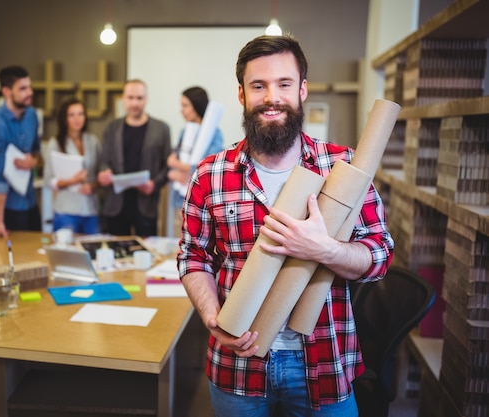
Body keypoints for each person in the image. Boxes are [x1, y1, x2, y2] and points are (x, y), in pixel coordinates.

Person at [177, 35, 394, 416]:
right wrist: (211, 314)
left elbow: (379, 257)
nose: (271, 96)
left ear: (302, 90)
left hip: (325, 361)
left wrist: (324, 250)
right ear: (242, 95)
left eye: (284, 84)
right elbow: (193, 255)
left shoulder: (344, 169)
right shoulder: (210, 174)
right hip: (237, 363)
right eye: (258, 85)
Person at [97, 79, 171, 237]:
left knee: (146, 253)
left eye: (139, 98)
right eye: (130, 98)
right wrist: (104, 172)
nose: (135, 103)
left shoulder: (162, 129)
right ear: (123, 99)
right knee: (116, 253)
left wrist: (154, 184)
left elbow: (167, 165)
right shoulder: (112, 127)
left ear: (146, 99)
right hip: (116, 203)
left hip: (146, 204)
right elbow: (104, 160)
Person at [0, 65, 41, 238]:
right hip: (9, 204)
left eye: (29, 86)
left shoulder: (32, 115)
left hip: (29, 197)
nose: (29, 92)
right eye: (22, 89)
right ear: (6, 91)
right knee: (14, 256)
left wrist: (34, 161)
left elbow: (36, 150)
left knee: (36, 248)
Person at [167, 86, 224, 237]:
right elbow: (171, 161)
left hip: (200, 200)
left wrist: (177, 165)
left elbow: (206, 167)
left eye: (185, 106)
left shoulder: (214, 134)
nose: (182, 110)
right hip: (179, 197)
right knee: (177, 243)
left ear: (197, 105)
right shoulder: (184, 131)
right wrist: (174, 173)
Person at [43, 98, 101, 234]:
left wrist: (92, 186)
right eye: (72, 115)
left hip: (90, 209)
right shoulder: (55, 143)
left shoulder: (92, 141)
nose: (77, 119)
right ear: (64, 118)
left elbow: (99, 175)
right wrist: (73, 181)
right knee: (67, 252)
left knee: (92, 251)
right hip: (66, 210)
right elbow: (48, 181)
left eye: (81, 114)